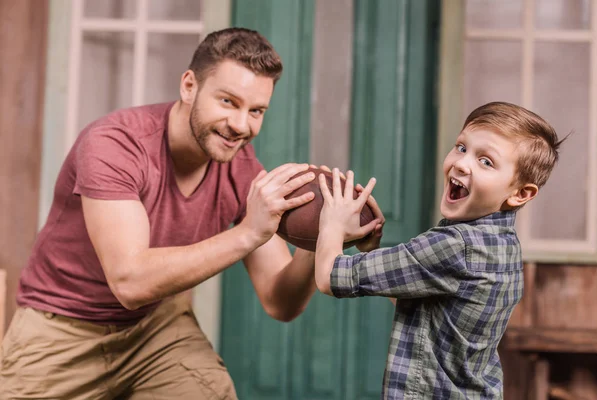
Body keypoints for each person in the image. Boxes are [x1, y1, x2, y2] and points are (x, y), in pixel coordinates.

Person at [0, 27, 380, 400]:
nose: (240, 126)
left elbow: (279, 301)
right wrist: (249, 231)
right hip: (63, 328)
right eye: (228, 101)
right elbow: (129, 283)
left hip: (156, 329)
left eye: (256, 111)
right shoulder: (114, 145)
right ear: (188, 86)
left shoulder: (240, 167)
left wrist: (321, 232)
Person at [314, 101, 566, 399]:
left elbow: (330, 277)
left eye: (486, 161)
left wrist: (330, 223)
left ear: (520, 193)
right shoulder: (504, 245)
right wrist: (372, 251)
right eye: (461, 147)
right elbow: (428, 305)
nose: (462, 163)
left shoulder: (456, 245)